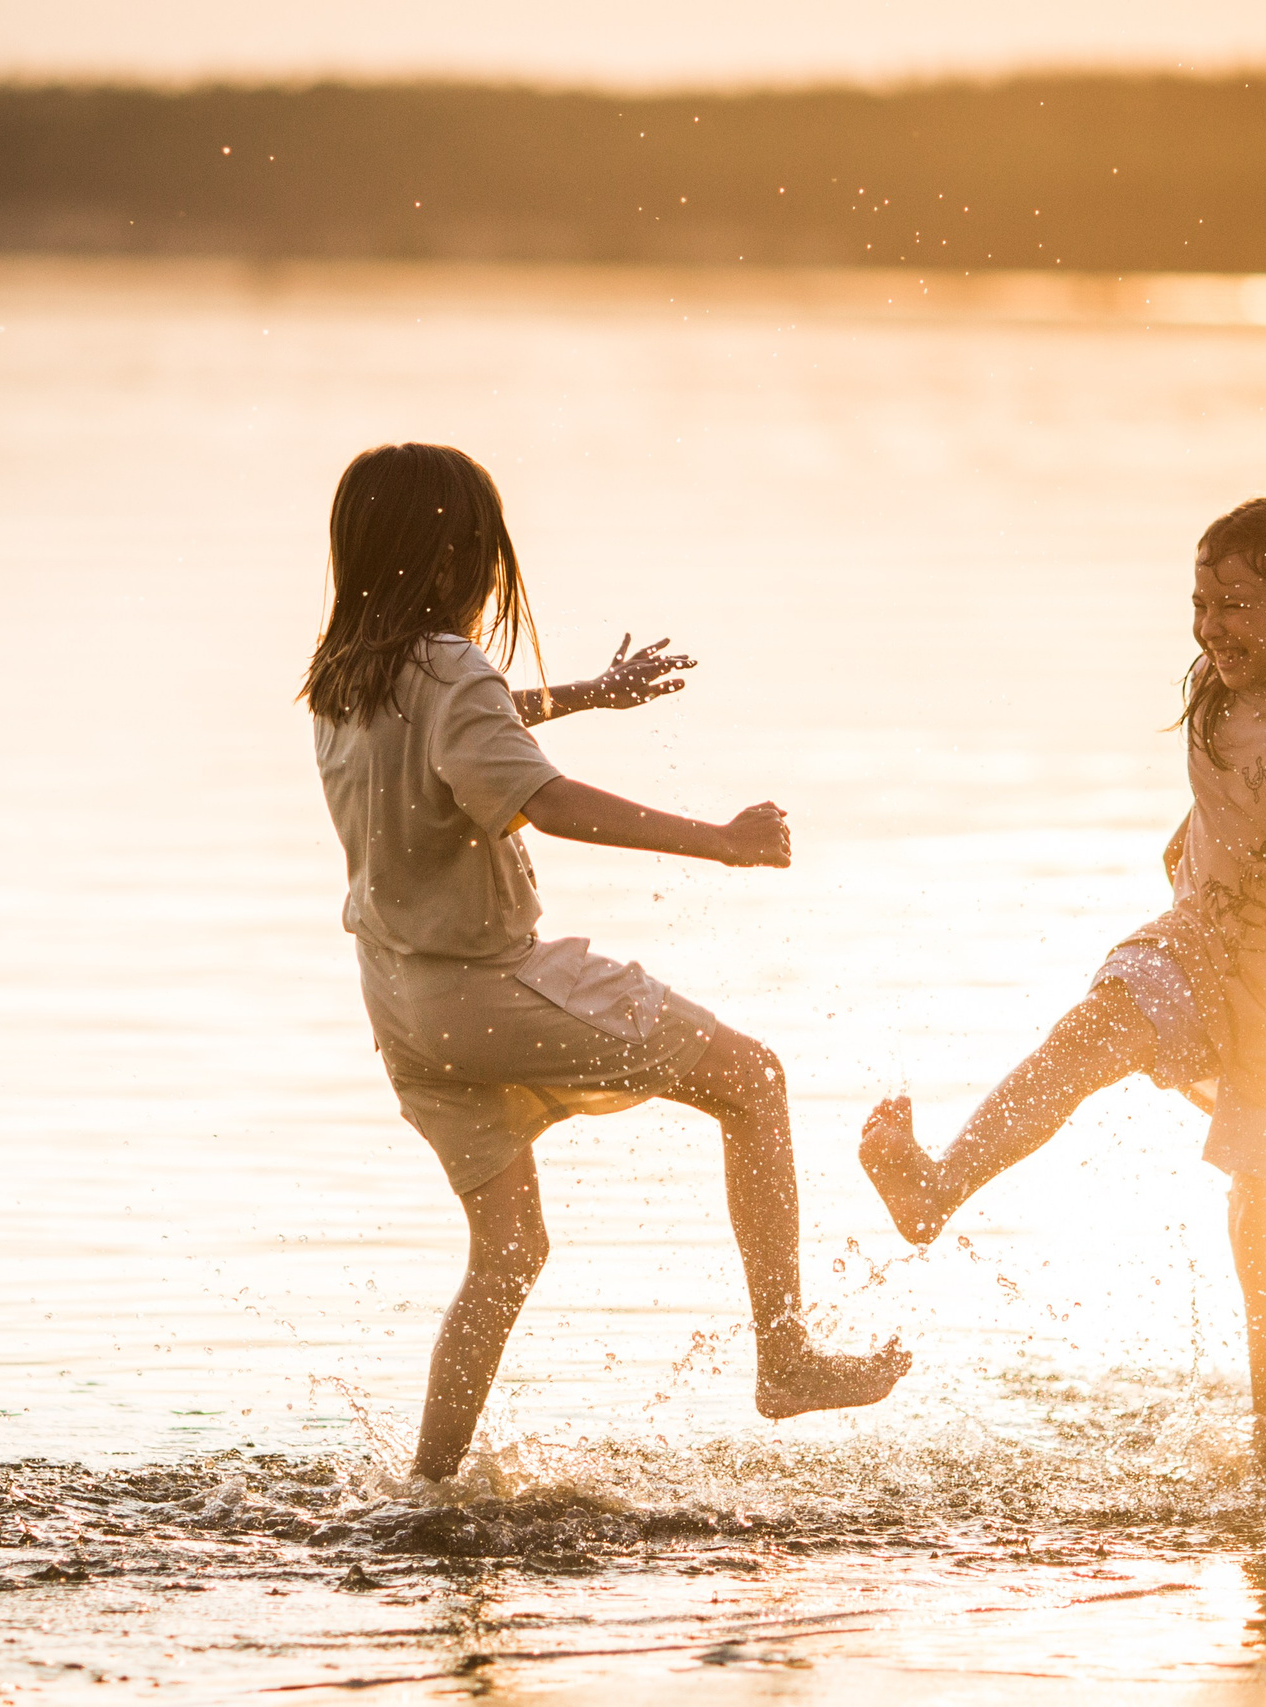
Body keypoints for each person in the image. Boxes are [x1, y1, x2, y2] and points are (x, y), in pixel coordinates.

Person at [304, 442, 908, 1484]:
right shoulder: (454, 670)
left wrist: (585, 693)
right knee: (753, 1081)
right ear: (460, 562)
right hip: (488, 985)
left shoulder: (344, 679)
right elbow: (545, 799)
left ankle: (431, 1488)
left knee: (508, 1254)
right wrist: (720, 840)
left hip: (401, 1008)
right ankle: (784, 1355)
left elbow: (468, 734)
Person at [858, 496, 1266, 1485]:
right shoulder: (1214, 694)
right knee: (1087, 1034)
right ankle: (934, 1189)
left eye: (1240, 604)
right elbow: (1231, 809)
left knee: (1262, 1225)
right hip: (1207, 944)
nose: (1214, 628)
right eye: (1202, 602)